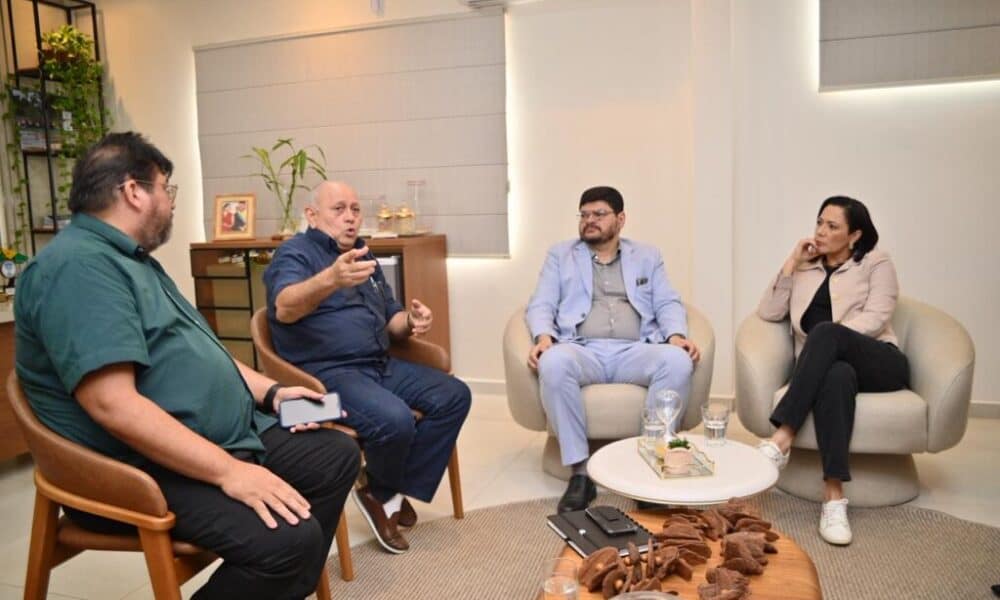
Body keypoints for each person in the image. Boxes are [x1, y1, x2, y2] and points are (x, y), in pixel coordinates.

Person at [14, 132, 361, 600]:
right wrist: (229, 472)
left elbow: (203, 352)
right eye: (166, 188)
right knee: (287, 542)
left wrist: (273, 393)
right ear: (134, 192)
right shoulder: (77, 268)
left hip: (219, 435)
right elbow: (112, 405)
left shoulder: (134, 262)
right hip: (139, 467)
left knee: (335, 455)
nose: (171, 202)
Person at [263, 181, 471, 554]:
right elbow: (284, 307)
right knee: (395, 420)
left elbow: (391, 318)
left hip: (379, 364)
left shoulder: (363, 254)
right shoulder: (294, 253)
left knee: (455, 395)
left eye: (355, 209)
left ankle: (385, 490)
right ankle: (385, 494)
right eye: (339, 209)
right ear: (312, 215)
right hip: (326, 375)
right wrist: (331, 278)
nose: (350, 218)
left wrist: (411, 322)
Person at [526, 185, 700, 513]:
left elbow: (667, 301)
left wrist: (676, 335)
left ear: (620, 219)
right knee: (553, 363)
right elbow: (542, 302)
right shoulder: (560, 255)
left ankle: (650, 463)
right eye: (584, 214)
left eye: (599, 214)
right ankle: (580, 473)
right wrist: (543, 337)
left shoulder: (647, 256)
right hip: (581, 349)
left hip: (634, 349)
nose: (589, 220)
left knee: (678, 362)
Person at [756, 195, 909, 546]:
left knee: (825, 334)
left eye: (832, 226)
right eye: (819, 223)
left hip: (879, 362)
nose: (821, 231)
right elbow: (769, 311)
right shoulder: (805, 268)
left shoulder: (875, 262)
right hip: (834, 370)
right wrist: (792, 262)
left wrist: (829, 341)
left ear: (854, 235)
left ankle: (782, 438)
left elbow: (877, 317)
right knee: (836, 375)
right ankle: (834, 497)